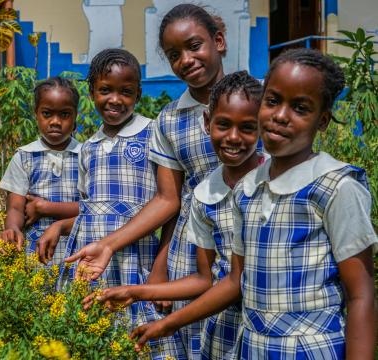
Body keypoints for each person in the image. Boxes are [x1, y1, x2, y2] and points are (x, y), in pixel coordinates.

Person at [130, 48, 378, 359]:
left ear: (323, 120)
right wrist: (169, 323)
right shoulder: (247, 190)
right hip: (253, 347)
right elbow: (235, 280)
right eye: (272, 101)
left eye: (300, 108)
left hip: (312, 348)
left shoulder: (336, 186)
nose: (280, 115)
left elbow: (360, 295)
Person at [63, 4, 227, 357]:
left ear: (219, 41)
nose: (186, 59)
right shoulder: (170, 121)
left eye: (194, 46)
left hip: (253, 237)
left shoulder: (260, 99)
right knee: (194, 340)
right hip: (192, 249)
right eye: (173, 54)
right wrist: (120, 249)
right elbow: (170, 200)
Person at [85, 71, 265, 359]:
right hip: (222, 325)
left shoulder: (276, 184)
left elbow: (236, 280)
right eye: (223, 124)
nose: (233, 137)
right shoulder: (204, 195)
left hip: (273, 327)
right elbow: (208, 280)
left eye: (247, 127)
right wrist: (139, 291)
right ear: (207, 124)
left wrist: (165, 319)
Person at [38, 48, 186, 359]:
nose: (115, 99)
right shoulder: (88, 147)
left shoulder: (153, 133)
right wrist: (59, 226)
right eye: (105, 90)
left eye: (126, 92)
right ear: (91, 91)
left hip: (137, 261)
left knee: (141, 339)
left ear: (138, 93)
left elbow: (170, 206)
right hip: (93, 264)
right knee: (91, 334)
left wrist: (161, 267)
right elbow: (91, 210)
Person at [0, 76, 81, 265]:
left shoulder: (87, 155)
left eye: (65, 114)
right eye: (47, 113)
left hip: (77, 249)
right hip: (36, 253)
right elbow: (15, 208)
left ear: (75, 116)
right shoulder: (24, 157)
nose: (55, 121)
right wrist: (12, 228)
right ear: (36, 114)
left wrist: (45, 208)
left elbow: (92, 207)